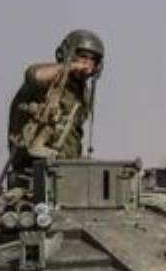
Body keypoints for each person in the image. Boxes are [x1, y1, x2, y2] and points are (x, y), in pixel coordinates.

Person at [6, 29, 104, 174]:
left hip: (65, 170)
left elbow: (74, 136)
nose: (87, 63)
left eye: (92, 60)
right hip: (33, 168)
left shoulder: (83, 95)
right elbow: (34, 76)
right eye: (82, 56)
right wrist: (71, 67)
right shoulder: (50, 79)